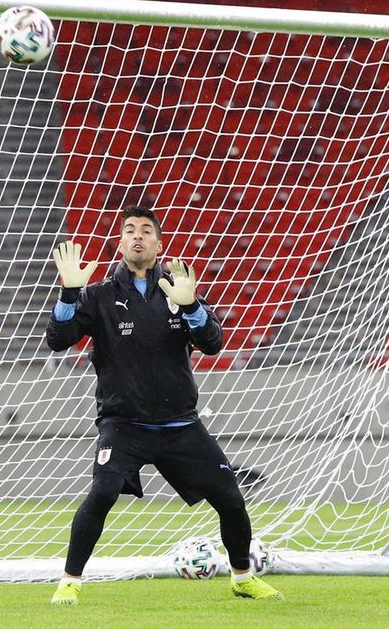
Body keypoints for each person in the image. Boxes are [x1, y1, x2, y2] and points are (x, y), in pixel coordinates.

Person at [46, 205, 284, 605]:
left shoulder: (179, 288)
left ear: (158, 242)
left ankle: (242, 576)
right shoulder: (99, 296)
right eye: (129, 230)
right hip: (123, 424)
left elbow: (212, 345)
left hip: (180, 424)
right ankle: (69, 582)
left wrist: (191, 307)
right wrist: (69, 293)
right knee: (102, 492)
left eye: (145, 230)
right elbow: (58, 338)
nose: (137, 235)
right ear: (120, 243)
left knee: (230, 497)